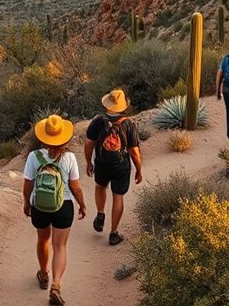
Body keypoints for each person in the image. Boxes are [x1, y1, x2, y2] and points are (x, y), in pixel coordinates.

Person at [23, 113, 87, 306]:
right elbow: (75, 186)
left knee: (43, 239)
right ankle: (56, 285)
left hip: (40, 206)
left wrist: (27, 203)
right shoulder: (69, 158)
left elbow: (28, 183)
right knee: (60, 246)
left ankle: (43, 274)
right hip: (64, 205)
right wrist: (82, 204)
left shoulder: (34, 157)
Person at [85, 89, 143, 247]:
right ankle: (113, 233)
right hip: (121, 165)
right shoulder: (128, 124)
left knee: (100, 186)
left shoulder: (98, 121)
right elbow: (134, 151)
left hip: (102, 162)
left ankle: (100, 214)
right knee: (118, 196)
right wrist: (138, 169)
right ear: (123, 105)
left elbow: (89, 143)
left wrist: (89, 162)